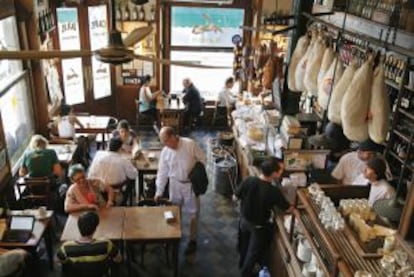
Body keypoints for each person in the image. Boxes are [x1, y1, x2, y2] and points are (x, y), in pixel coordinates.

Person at [235, 157, 293, 277]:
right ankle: (245, 273)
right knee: (252, 254)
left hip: (244, 221)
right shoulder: (273, 191)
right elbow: (288, 208)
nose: (282, 171)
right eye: (280, 170)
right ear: (273, 174)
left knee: (244, 245)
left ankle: (241, 264)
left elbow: (235, 197)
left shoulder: (249, 180)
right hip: (258, 227)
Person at [154, 127, 206, 255]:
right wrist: (159, 191)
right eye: (163, 142)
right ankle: (176, 235)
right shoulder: (166, 151)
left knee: (193, 214)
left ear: (173, 136)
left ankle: (192, 240)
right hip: (174, 184)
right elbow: (162, 172)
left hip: (190, 185)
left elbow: (203, 159)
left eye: (166, 141)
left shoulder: (189, 144)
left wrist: (196, 173)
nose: (165, 145)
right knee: (175, 211)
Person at [57, 211, 121, 277]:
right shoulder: (106, 244)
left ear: (78, 226)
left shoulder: (66, 247)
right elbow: (118, 258)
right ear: (95, 228)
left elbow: (60, 261)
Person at [88, 138, 137, 205]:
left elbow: (90, 175)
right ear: (120, 148)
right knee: (131, 179)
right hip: (116, 189)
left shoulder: (98, 155)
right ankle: (125, 201)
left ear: (108, 147)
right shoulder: (123, 161)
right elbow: (133, 175)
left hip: (98, 189)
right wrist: (133, 166)